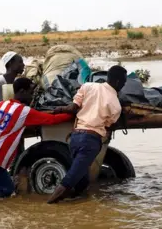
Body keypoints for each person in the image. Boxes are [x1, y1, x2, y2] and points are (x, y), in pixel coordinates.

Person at [0, 78, 74, 200]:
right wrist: (71, 113)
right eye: (30, 93)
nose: (32, 97)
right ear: (22, 91)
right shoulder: (24, 111)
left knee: (7, 190)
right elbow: (51, 120)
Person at [47, 65, 128, 204]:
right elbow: (108, 125)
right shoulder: (116, 105)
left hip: (75, 138)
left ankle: (79, 203)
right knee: (71, 177)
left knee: (82, 177)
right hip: (90, 142)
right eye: (124, 82)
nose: (124, 85)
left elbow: (72, 108)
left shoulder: (88, 86)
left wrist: (59, 109)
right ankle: (50, 203)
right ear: (119, 82)